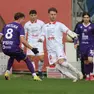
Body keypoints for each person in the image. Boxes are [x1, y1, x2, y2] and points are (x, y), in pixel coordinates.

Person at [38, 7, 83, 82]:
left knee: (62, 63)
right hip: (50, 50)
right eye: (51, 14)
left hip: (58, 47)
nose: (53, 16)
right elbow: (43, 35)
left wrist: (74, 36)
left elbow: (68, 31)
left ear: (56, 15)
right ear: (49, 15)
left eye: (54, 14)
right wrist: (41, 39)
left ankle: (78, 72)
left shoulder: (60, 25)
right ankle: (73, 78)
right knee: (58, 67)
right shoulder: (45, 26)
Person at [0, 12, 41, 81]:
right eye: (23, 19)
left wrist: (3, 44)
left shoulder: (6, 26)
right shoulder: (20, 27)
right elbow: (23, 40)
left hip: (5, 48)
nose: (23, 21)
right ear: (20, 19)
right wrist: (32, 48)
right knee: (26, 59)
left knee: (12, 56)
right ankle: (35, 76)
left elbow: (0, 36)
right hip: (14, 48)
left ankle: (7, 72)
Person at [24, 10, 45, 78]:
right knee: (31, 58)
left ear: (36, 15)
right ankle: (34, 73)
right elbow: (24, 35)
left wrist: (42, 38)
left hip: (39, 43)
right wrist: (22, 45)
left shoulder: (41, 23)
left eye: (34, 15)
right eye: (31, 15)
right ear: (29, 16)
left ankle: (39, 71)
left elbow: (44, 32)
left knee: (41, 59)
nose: (33, 17)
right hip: (30, 43)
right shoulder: (26, 24)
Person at [74, 12, 94, 81]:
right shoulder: (79, 26)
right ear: (82, 18)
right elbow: (76, 35)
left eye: (87, 17)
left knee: (90, 59)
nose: (86, 19)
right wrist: (75, 43)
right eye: (84, 17)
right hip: (82, 46)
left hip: (90, 45)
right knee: (85, 61)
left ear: (89, 18)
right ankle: (87, 75)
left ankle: (91, 74)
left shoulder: (92, 26)